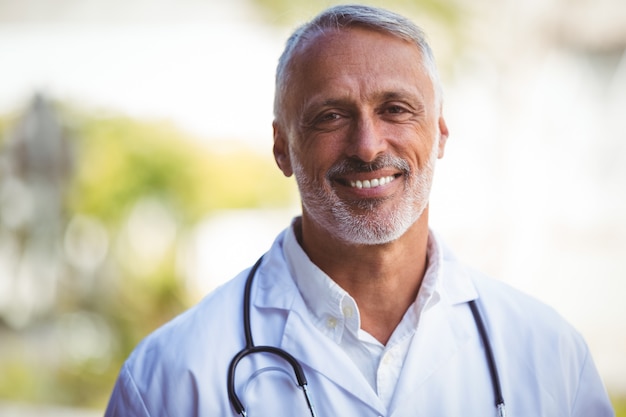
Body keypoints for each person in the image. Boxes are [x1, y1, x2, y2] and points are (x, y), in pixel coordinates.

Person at [104, 5, 614, 417]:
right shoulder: (169, 379)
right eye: (331, 116)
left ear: (438, 133)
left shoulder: (549, 355)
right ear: (282, 148)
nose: (368, 146)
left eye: (396, 109)